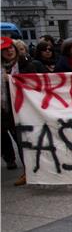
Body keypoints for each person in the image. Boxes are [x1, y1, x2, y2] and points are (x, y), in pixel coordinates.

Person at [2, 37, 41, 185]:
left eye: (11, 48)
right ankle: (27, 171)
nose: (9, 51)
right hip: (8, 112)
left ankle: (34, 170)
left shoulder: (26, 64)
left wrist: (12, 80)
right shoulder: (2, 68)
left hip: (26, 109)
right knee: (19, 141)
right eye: (5, 50)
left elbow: (32, 83)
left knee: (27, 141)